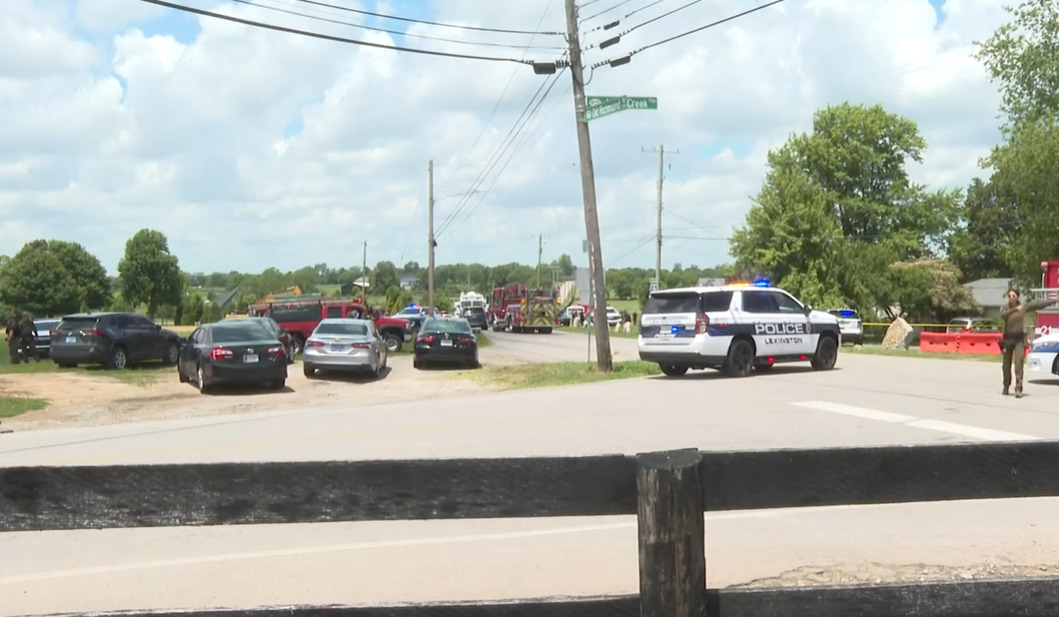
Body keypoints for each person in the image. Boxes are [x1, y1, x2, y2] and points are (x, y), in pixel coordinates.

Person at [999, 289, 1057, 397]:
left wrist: (1053, 301)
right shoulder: (1005, 308)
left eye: (1013, 295)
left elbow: (1037, 304)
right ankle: (1006, 385)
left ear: (1017, 297)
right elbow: (1004, 315)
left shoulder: (1024, 307)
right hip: (1007, 339)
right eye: (1009, 296)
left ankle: (1018, 388)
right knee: (1006, 366)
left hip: (1019, 340)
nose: (1011, 298)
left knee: (1019, 364)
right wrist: (1015, 309)